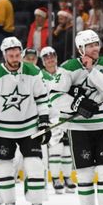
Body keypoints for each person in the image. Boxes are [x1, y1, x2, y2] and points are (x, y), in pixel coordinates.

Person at [55, 31, 103, 205]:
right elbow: (54, 97)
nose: (95, 48)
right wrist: (76, 104)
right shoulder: (67, 68)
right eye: (90, 45)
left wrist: (91, 70)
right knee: (84, 174)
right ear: (80, 49)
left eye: (96, 44)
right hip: (79, 128)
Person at [0, 37, 51, 205]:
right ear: (4, 55)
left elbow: (42, 99)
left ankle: (36, 202)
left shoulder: (34, 72)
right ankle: (9, 202)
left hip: (29, 127)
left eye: (17, 54)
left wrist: (44, 121)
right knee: (4, 168)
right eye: (11, 54)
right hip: (3, 129)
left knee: (34, 166)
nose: (14, 57)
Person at [40, 46, 75, 194]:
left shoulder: (64, 73)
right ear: (42, 61)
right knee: (56, 148)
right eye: (46, 57)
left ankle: (67, 177)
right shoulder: (39, 76)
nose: (50, 59)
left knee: (67, 149)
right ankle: (55, 178)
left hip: (66, 115)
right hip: (51, 118)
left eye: (52, 55)